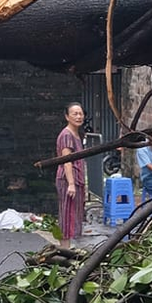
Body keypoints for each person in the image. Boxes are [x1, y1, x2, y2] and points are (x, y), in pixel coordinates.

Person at [55, 103, 87, 246]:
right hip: (68, 181)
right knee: (67, 215)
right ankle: (64, 250)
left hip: (76, 180)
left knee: (74, 216)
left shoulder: (76, 134)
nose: (79, 116)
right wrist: (71, 184)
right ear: (67, 116)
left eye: (80, 113)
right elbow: (67, 161)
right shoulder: (66, 135)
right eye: (75, 114)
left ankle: (68, 250)